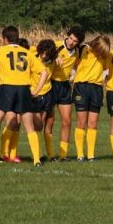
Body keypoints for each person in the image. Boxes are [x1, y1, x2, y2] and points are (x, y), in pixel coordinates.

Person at [0, 26, 48, 167]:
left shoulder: (0, 51)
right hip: (23, 89)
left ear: (5, 39)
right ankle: (36, 160)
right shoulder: (26, 53)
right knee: (29, 127)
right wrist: (36, 90)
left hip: (6, 89)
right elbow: (44, 73)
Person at [44, 26, 85, 161]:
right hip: (51, 85)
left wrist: (74, 75)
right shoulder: (55, 46)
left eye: (75, 41)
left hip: (65, 87)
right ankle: (50, 155)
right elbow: (41, 57)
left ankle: (63, 155)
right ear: (67, 35)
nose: (71, 42)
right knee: (49, 120)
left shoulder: (78, 51)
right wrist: (53, 59)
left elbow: (78, 64)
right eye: (70, 38)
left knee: (67, 121)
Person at [72, 35, 111, 162]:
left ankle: (91, 155)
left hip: (97, 89)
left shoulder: (104, 55)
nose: (100, 53)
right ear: (96, 44)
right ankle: (80, 154)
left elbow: (106, 69)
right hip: (81, 87)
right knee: (81, 123)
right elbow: (71, 62)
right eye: (100, 50)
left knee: (93, 124)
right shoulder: (82, 49)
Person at [29, 39, 58, 160]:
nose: (44, 56)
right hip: (34, 94)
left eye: (47, 54)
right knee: (38, 124)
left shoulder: (52, 61)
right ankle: (38, 154)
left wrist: (58, 59)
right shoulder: (31, 54)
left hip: (47, 94)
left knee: (46, 123)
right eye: (42, 53)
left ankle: (49, 155)